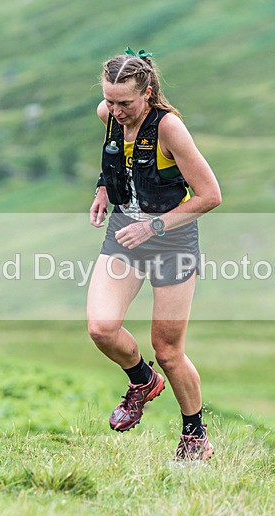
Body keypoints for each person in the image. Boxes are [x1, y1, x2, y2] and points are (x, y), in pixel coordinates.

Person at [87, 48, 222, 461]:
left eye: (125, 102)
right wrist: (104, 188)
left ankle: (195, 437)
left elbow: (210, 196)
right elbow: (117, 159)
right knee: (101, 328)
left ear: (147, 93)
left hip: (170, 243)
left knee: (168, 351)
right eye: (110, 100)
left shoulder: (170, 129)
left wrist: (153, 225)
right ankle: (141, 382)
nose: (116, 110)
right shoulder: (108, 115)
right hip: (124, 235)